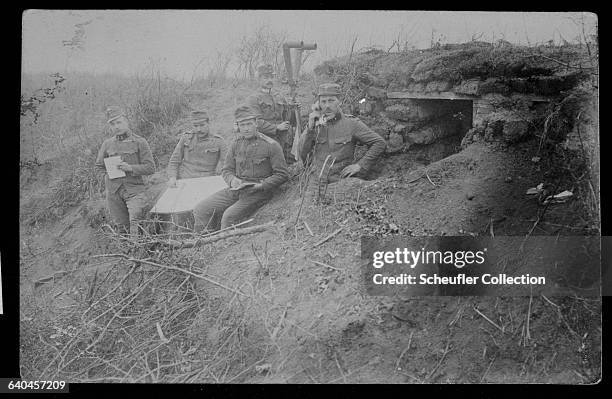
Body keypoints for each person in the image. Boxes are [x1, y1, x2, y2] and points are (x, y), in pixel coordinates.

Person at [193, 105, 289, 232]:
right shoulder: (236, 144)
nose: (246, 129)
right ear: (238, 126)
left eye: (249, 124)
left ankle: (222, 246)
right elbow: (226, 170)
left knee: (228, 217)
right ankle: (202, 243)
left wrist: (262, 185)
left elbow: (282, 174)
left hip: (258, 193)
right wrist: (232, 180)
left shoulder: (271, 145)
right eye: (242, 125)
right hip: (236, 190)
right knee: (201, 208)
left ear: (256, 123)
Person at [299, 83, 386, 183]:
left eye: (331, 101)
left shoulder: (352, 123)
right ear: (319, 104)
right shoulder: (315, 125)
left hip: (341, 182)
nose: (327, 106)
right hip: (317, 182)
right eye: (323, 102)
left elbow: (379, 143)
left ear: (339, 102)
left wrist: (360, 165)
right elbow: (302, 155)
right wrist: (310, 129)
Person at [95, 106, 155, 236]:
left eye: (119, 122)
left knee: (137, 224)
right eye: (113, 124)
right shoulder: (107, 144)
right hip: (114, 194)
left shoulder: (140, 142)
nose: (116, 126)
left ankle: (139, 253)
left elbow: (150, 167)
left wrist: (131, 168)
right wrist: (106, 177)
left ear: (127, 121)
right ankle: (127, 254)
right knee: (122, 228)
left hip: (135, 191)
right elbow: (99, 167)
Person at [246, 63, 295, 162]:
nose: (269, 80)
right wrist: (276, 127)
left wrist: (294, 108)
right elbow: (256, 122)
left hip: (283, 139)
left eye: (271, 77)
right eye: (266, 77)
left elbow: (288, 118)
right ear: (258, 79)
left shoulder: (279, 96)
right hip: (264, 140)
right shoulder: (253, 99)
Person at [167, 109, 226, 185]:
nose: (199, 129)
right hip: (185, 181)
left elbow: (226, 166)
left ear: (208, 123)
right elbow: (174, 161)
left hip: (207, 182)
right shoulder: (186, 138)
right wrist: (172, 177)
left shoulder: (219, 141)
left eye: (202, 125)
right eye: (195, 126)